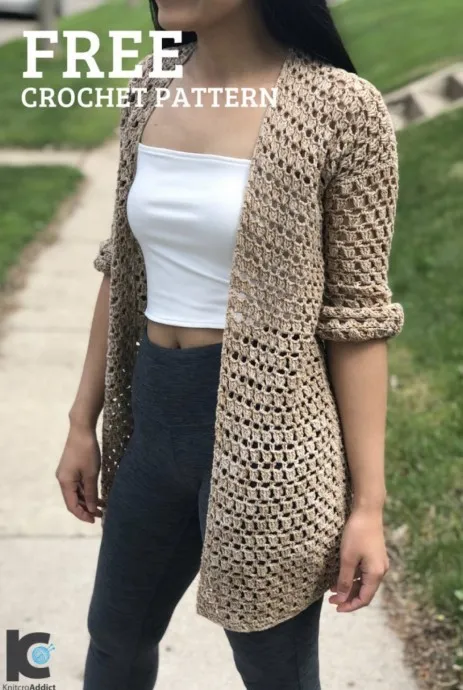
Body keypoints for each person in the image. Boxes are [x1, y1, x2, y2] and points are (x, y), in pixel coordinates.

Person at [55, 1, 405, 688]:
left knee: (274, 670)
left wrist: (367, 507)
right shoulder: (152, 83)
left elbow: (358, 320)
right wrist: (79, 422)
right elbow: (121, 264)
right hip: (154, 423)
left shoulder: (341, 108)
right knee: (114, 640)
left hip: (271, 443)